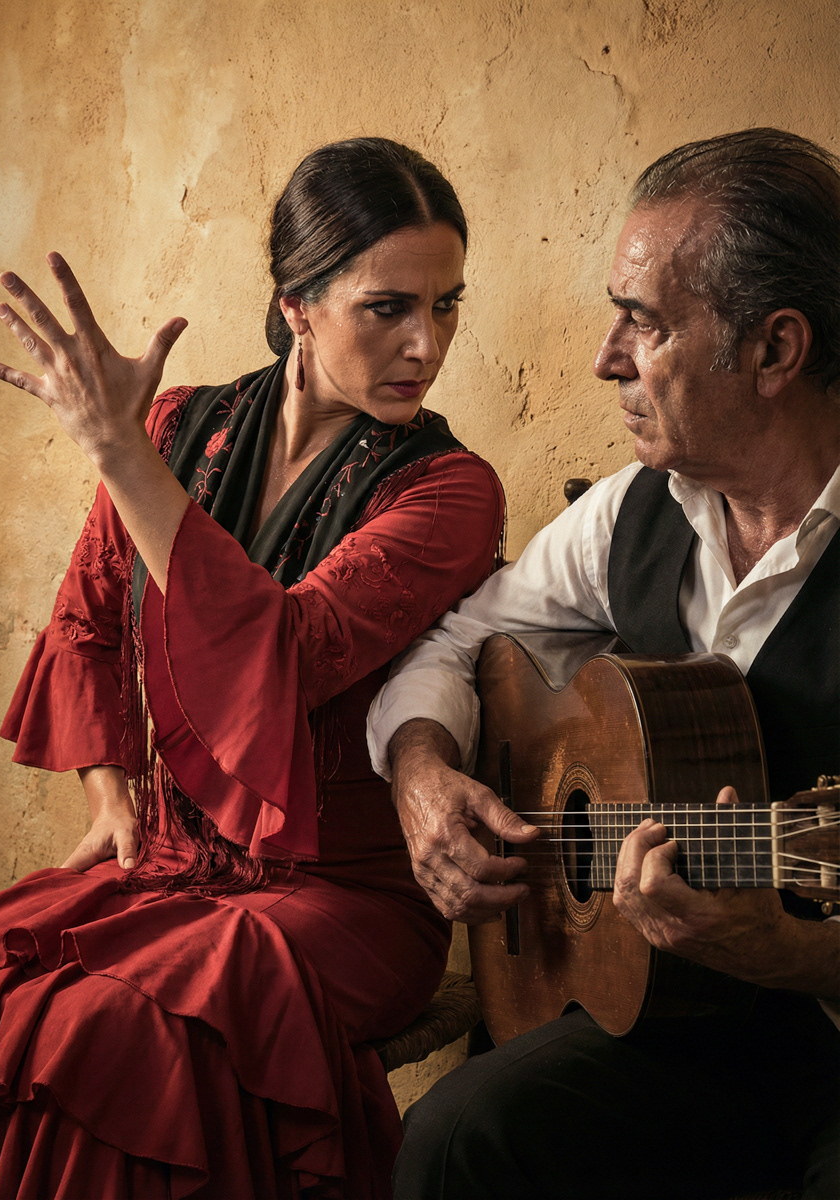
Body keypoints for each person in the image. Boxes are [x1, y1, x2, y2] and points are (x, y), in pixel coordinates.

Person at [0, 138, 505, 1199]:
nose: (426, 344)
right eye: (388, 308)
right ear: (298, 305)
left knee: (108, 1036)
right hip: (171, 866)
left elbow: (280, 658)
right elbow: (89, 617)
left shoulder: (448, 491)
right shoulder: (171, 428)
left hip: (338, 897)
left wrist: (118, 455)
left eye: (446, 306)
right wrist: (112, 797)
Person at [367, 128, 840, 1200]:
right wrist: (422, 774)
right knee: (453, 1139)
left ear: (774, 350)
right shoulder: (637, 508)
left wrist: (792, 952)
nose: (605, 357)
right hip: (679, 1019)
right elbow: (458, 643)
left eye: (646, 322)